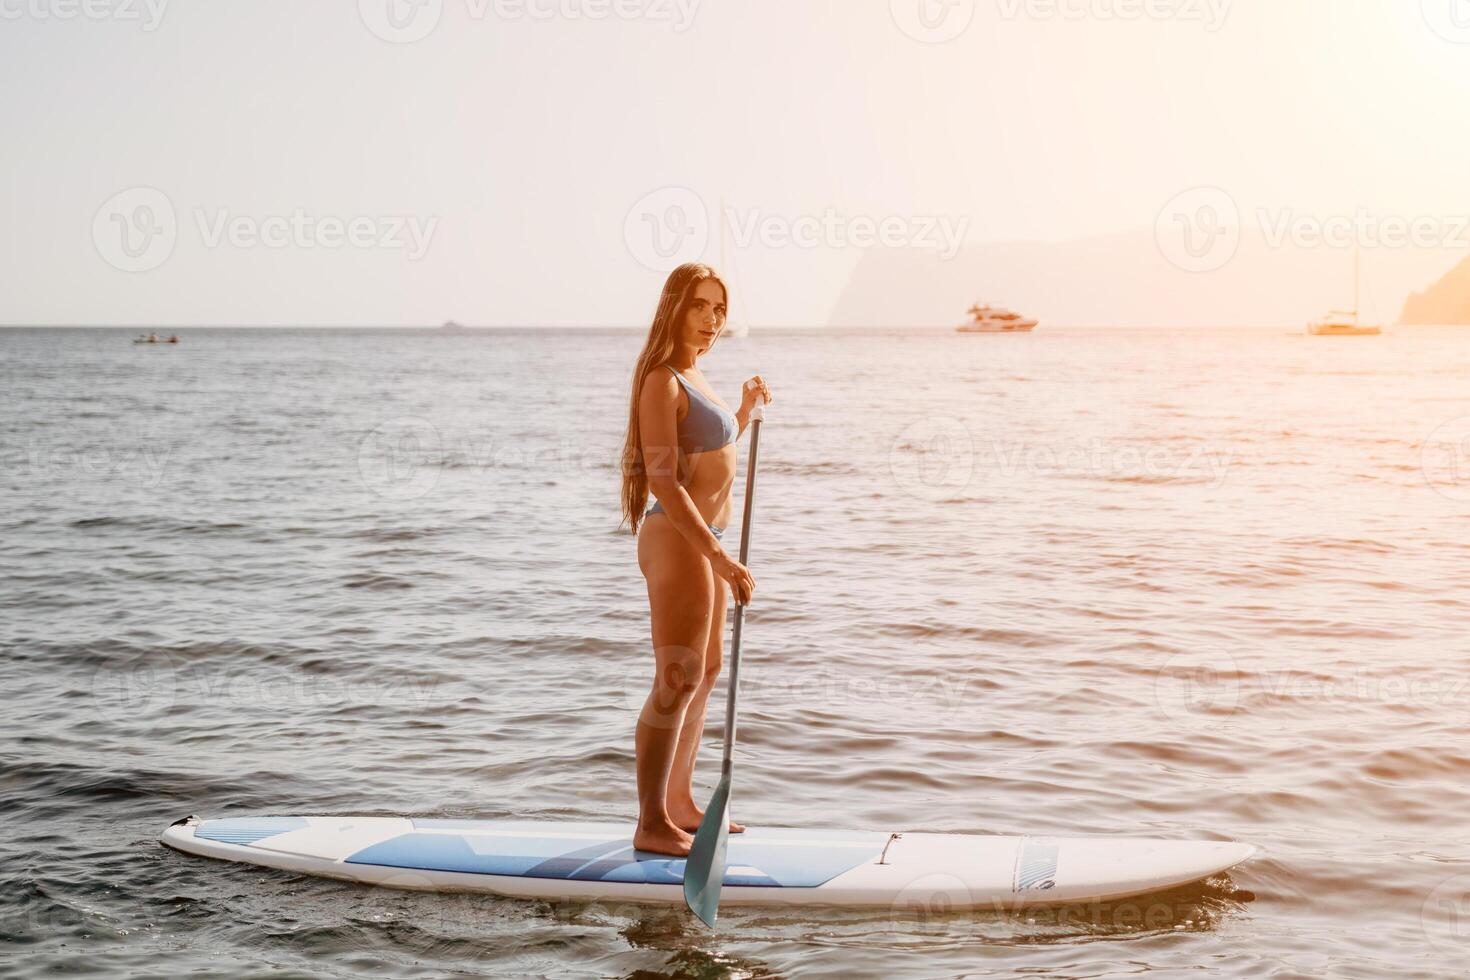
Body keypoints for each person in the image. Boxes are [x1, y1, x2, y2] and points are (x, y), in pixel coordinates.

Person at [619, 262, 771, 856]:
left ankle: (680, 802)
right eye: (700, 306)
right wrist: (720, 555)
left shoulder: (695, 375)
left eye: (719, 310)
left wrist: (742, 409)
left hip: (701, 540)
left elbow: (707, 447)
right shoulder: (661, 378)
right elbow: (663, 477)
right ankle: (651, 821)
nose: (711, 320)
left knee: (702, 673)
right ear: (674, 309)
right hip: (680, 538)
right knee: (676, 675)